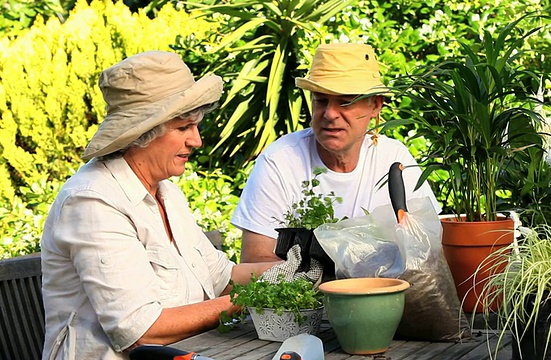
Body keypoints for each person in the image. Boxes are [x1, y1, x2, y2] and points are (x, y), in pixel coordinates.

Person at [40, 51, 282, 360]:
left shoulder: (166, 193)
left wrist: (294, 271)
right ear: (143, 133)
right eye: (183, 128)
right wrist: (257, 295)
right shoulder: (92, 202)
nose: (197, 141)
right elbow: (141, 332)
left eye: (196, 126)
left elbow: (222, 279)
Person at [231, 43, 441, 264]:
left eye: (345, 102)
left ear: (375, 105)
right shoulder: (280, 161)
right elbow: (255, 259)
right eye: (321, 100)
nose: (330, 114)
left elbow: (428, 246)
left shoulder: (393, 158)